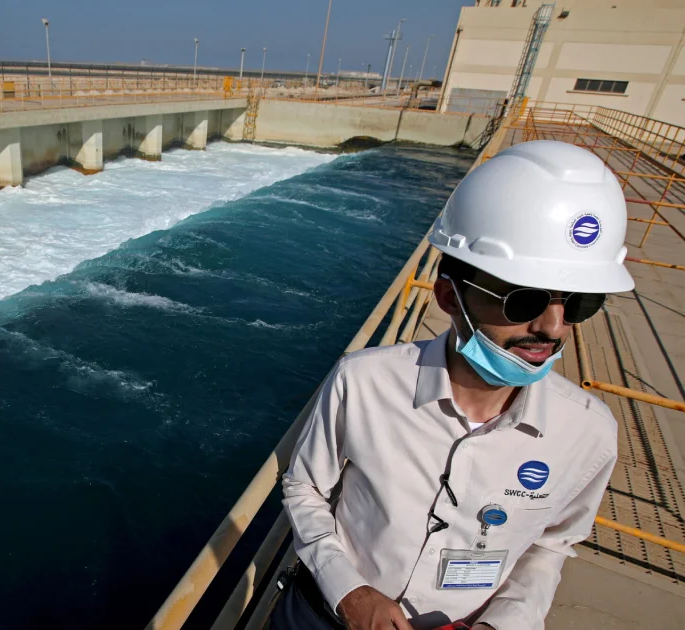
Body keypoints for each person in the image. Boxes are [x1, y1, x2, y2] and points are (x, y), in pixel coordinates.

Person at [271, 140, 634, 630]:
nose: (552, 328)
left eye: (578, 303)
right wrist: (349, 592)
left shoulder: (588, 433)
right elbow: (305, 486)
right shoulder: (364, 382)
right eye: (523, 300)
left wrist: (505, 622)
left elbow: (552, 543)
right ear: (448, 296)